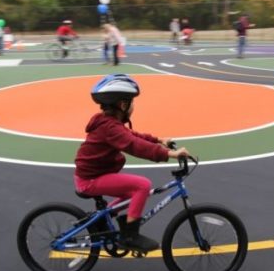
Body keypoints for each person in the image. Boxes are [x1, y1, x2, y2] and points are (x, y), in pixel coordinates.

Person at [74, 74, 191, 252]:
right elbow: (134, 146)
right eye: (131, 102)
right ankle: (129, 236)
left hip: (94, 174)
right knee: (142, 186)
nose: (133, 106)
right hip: (90, 180)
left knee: (132, 193)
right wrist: (171, 154)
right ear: (122, 105)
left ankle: (100, 220)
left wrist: (159, 140)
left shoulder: (110, 123)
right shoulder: (110, 128)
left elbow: (133, 136)